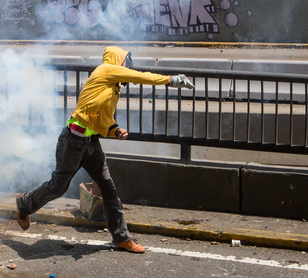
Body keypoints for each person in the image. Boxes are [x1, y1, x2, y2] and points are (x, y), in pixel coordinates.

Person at [15, 46, 195, 253]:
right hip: (73, 140)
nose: (128, 66)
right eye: (125, 62)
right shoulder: (106, 70)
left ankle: (121, 237)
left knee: (108, 188)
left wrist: (115, 130)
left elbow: (102, 119)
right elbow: (140, 76)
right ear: (118, 60)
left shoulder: (111, 87)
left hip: (90, 142)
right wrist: (173, 80)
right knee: (58, 186)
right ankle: (25, 204)